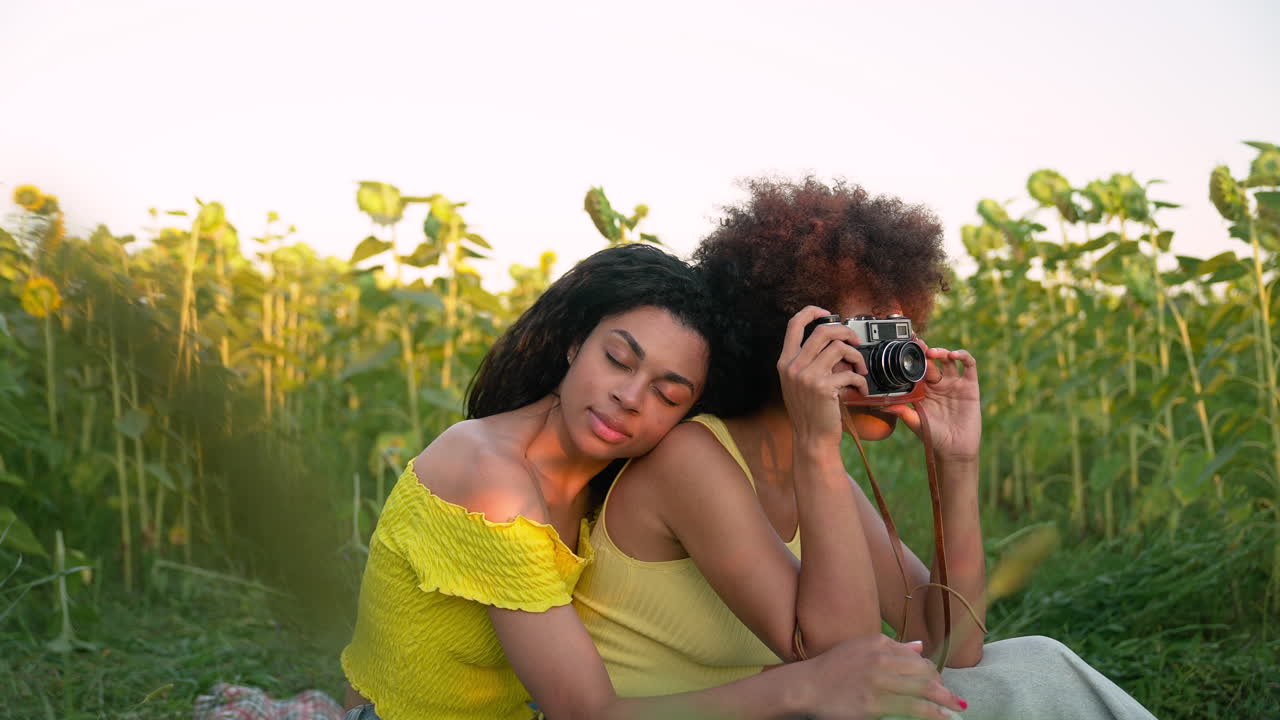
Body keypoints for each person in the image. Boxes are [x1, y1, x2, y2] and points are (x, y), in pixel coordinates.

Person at [572, 179, 1158, 719]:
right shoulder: (691, 459)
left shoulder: (820, 482)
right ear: (789, 340)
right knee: (1026, 679)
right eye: (870, 333)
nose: (894, 362)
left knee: (1036, 660)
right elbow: (843, 657)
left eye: (902, 333)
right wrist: (820, 448)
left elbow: (954, 645)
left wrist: (957, 465)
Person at [340, 243, 967, 720]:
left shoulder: (614, 469)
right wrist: (807, 686)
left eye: (670, 394)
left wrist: (956, 465)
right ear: (571, 345)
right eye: (618, 359)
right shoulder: (488, 474)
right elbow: (582, 713)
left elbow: (950, 638)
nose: (630, 399)